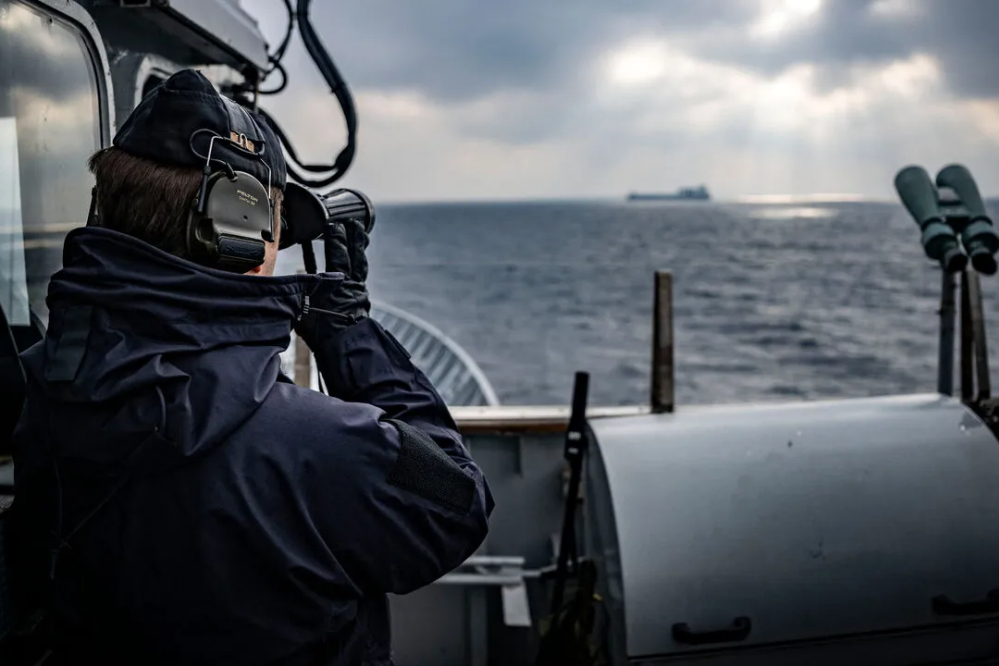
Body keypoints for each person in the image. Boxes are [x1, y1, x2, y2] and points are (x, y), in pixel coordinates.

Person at [9, 69, 493, 665]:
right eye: (274, 225)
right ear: (235, 228)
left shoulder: (46, 386)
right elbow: (458, 505)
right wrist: (349, 332)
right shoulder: (323, 446)